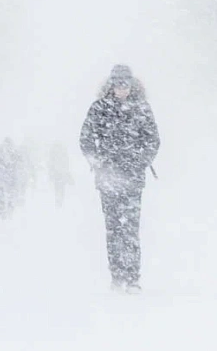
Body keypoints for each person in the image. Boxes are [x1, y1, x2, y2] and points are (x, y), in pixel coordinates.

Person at [79, 65, 160, 293]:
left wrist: (139, 161)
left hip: (133, 180)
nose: (121, 88)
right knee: (113, 228)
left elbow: (153, 141)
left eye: (125, 84)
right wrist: (99, 163)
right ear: (111, 85)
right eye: (118, 84)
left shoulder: (142, 109)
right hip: (108, 180)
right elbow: (85, 140)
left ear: (131, 85)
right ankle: (117, 275)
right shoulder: (99, 109)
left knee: (131, 230)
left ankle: (132, 277)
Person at [48, 142, 74, 207]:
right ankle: (60, 201)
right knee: (61, 188)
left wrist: (51, 173)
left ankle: (58, 200)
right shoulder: (63, 154)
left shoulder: (53, 153)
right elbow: (66, 165)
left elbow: (50, 164)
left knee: (57, 187)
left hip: (57, 174)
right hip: (61, 174)